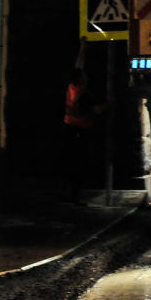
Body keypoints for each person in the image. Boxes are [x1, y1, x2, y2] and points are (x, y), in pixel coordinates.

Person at [63, 67, 96, 204]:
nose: (86, 78)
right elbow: (94, 109)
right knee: (80, 163)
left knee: (73, 162)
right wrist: (109, 104)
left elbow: (79, 65)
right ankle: (75, 195)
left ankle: (71, 194)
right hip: (80, 129)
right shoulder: (82, 94)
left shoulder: (71, 88)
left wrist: (83, 48)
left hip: (70, 126)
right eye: (84, 76)